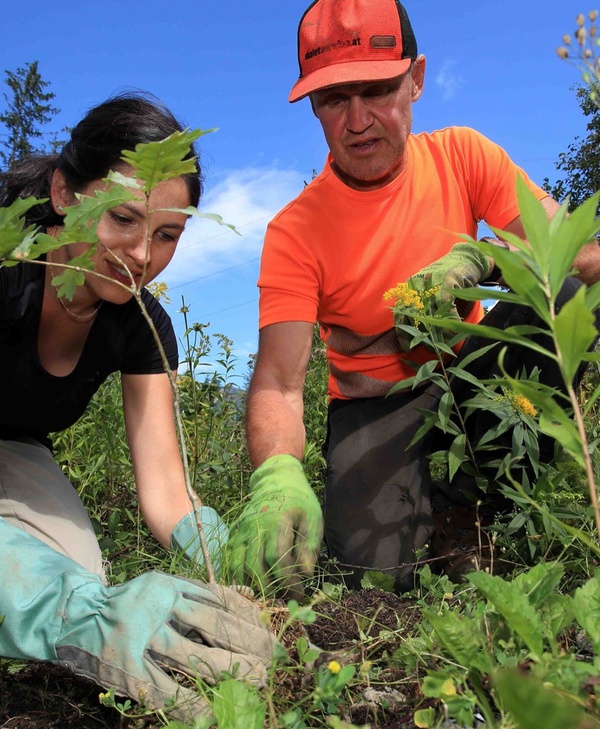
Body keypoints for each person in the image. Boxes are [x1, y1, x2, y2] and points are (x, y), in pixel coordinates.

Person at [229, 0, 600, 594]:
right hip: (373, 407)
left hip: (474, 376)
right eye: (333, 100)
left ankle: (472, 514)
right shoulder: (295, 232)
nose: (356, 121)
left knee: (570, 296)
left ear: (416, 80)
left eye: (376, 89)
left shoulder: (462, 157)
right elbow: (278, 381)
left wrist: (482, 256)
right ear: (314, 107)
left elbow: (582, 255)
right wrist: (277, 472)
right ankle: (421, 508)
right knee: (376, 581)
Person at [0, 93, 275, 720]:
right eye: (122, 218)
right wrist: (62, 605)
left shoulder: (139, 325)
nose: (143, 256)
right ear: (65, 194)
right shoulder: (9, 266)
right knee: (59, 603)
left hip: (15, 448)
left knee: (81, 575)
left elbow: (167, 492)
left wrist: (227, 559)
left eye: (168, 234)